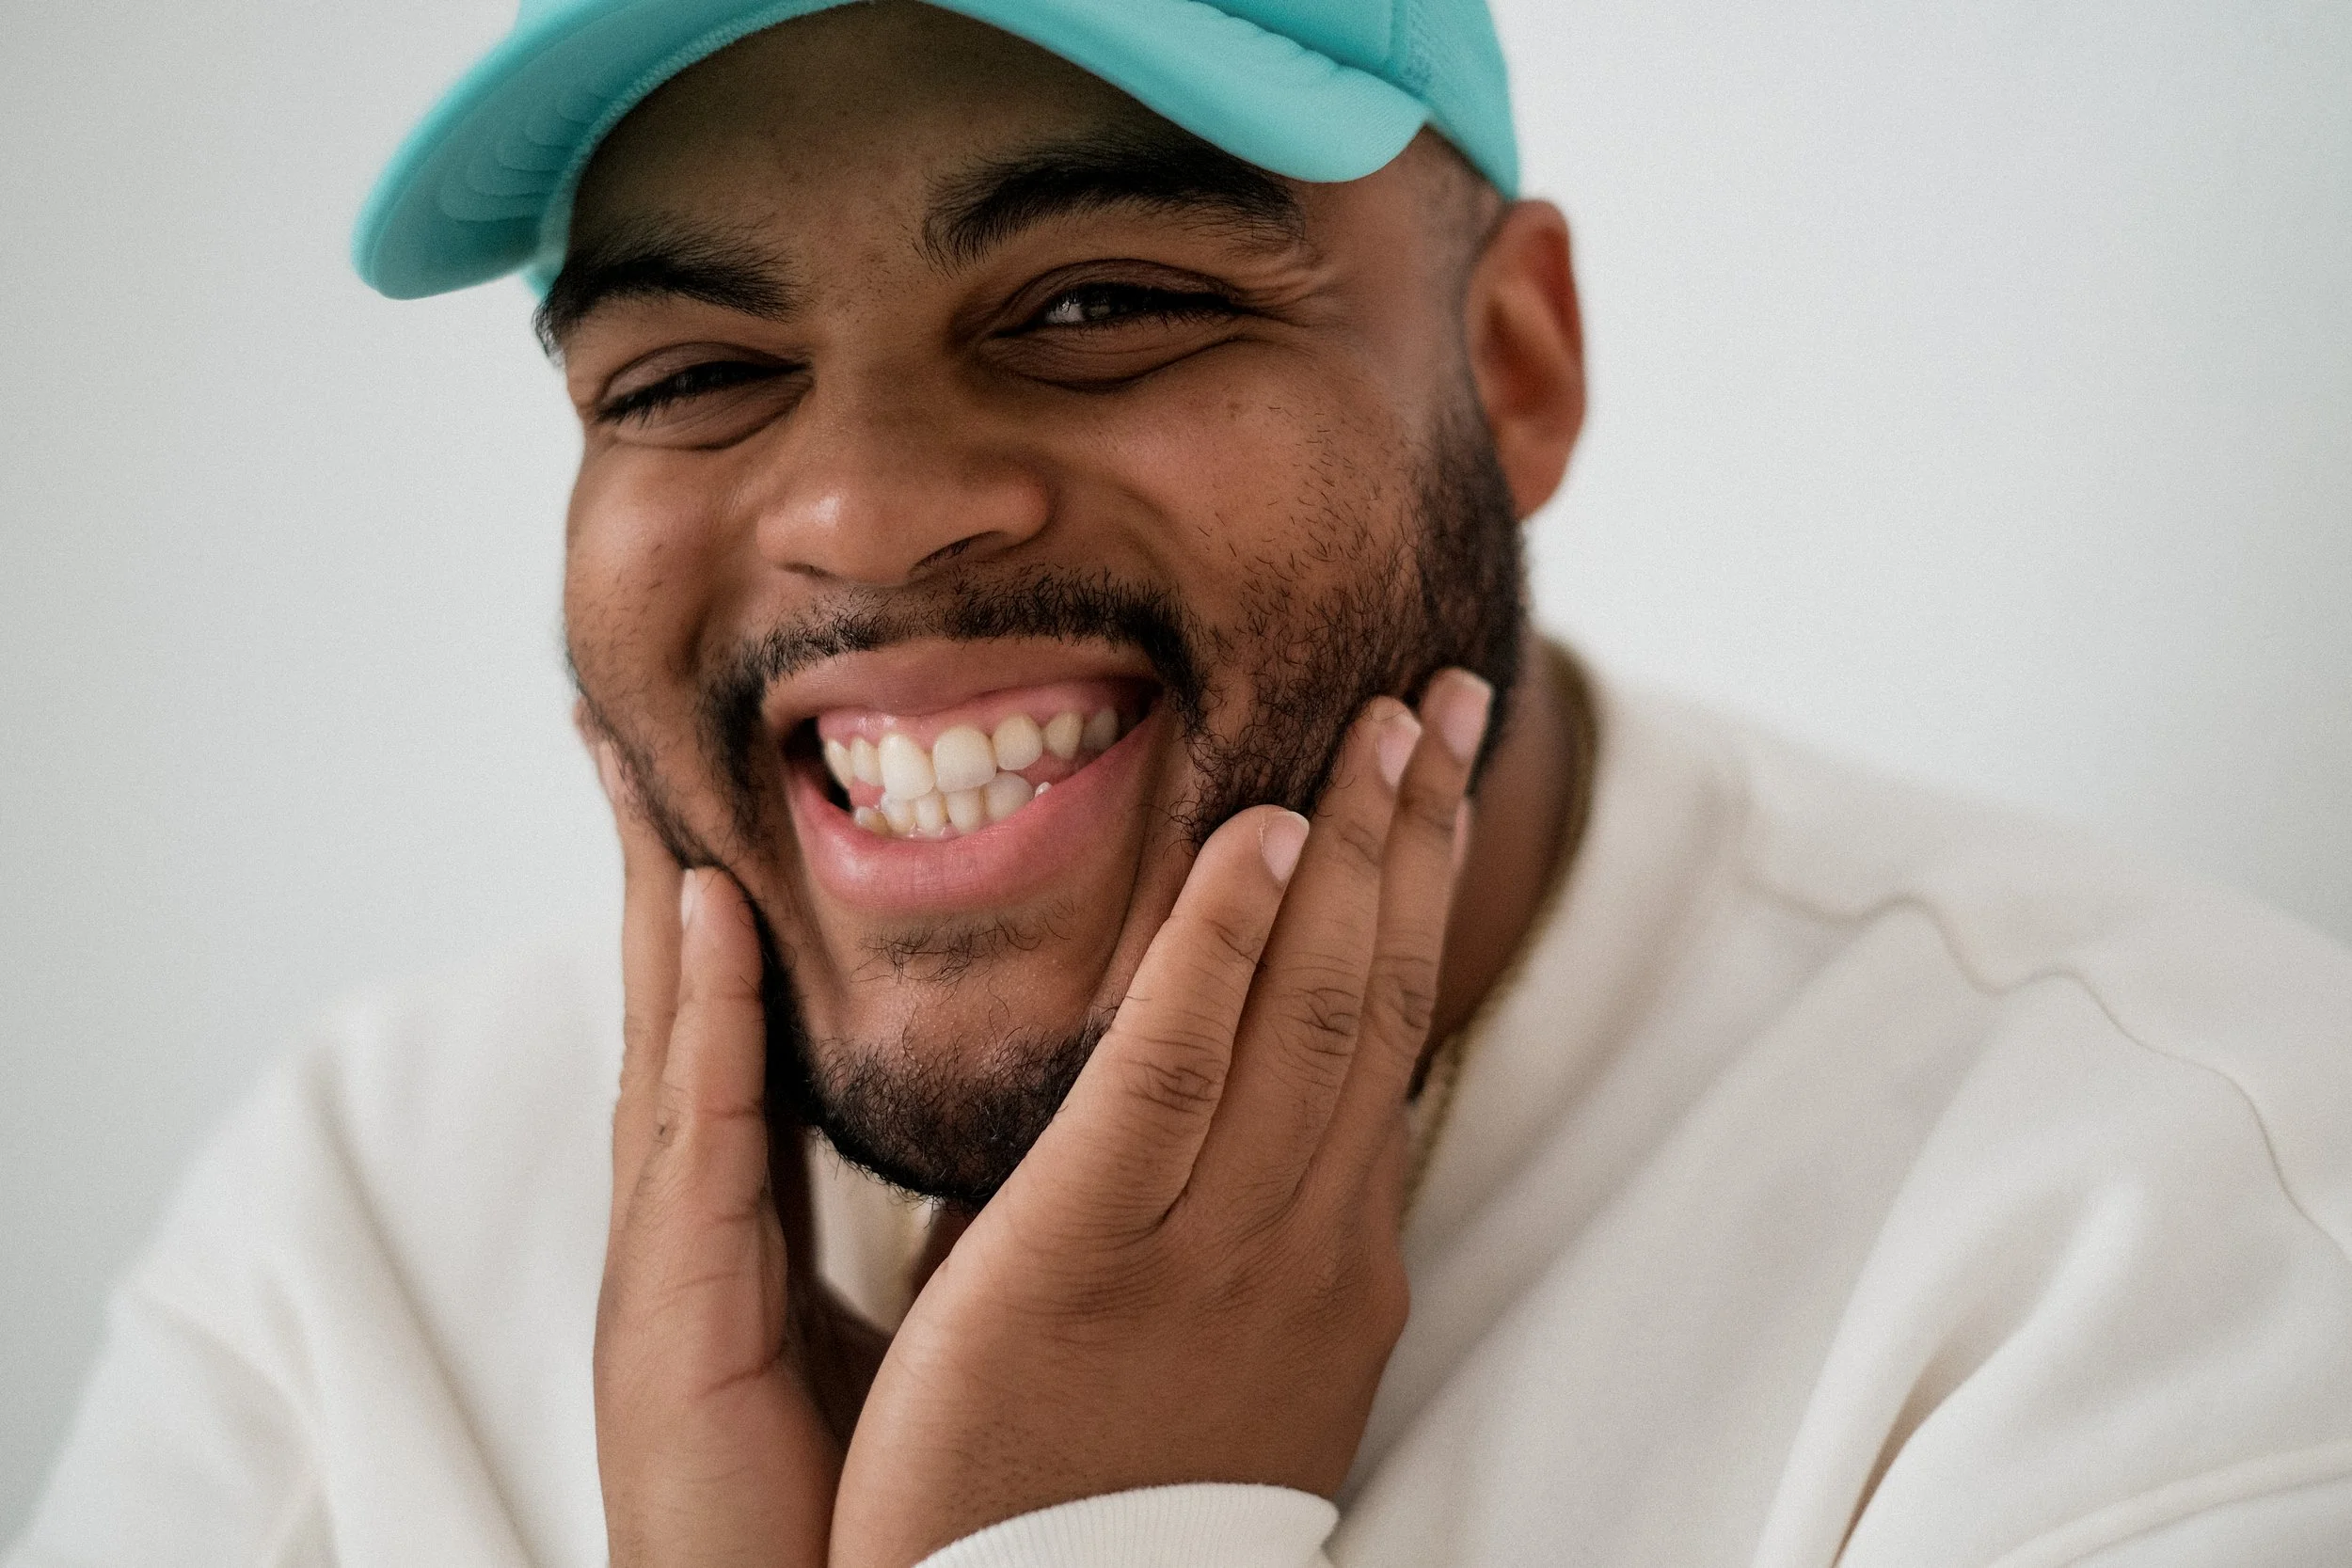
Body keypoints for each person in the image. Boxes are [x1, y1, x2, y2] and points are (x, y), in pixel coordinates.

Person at [13, 1, 2352, 1563]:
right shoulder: (356, 1226)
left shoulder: (2179, 1234)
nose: (861, 510)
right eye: (692, 369)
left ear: (1512, 364)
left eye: (1098, 299)